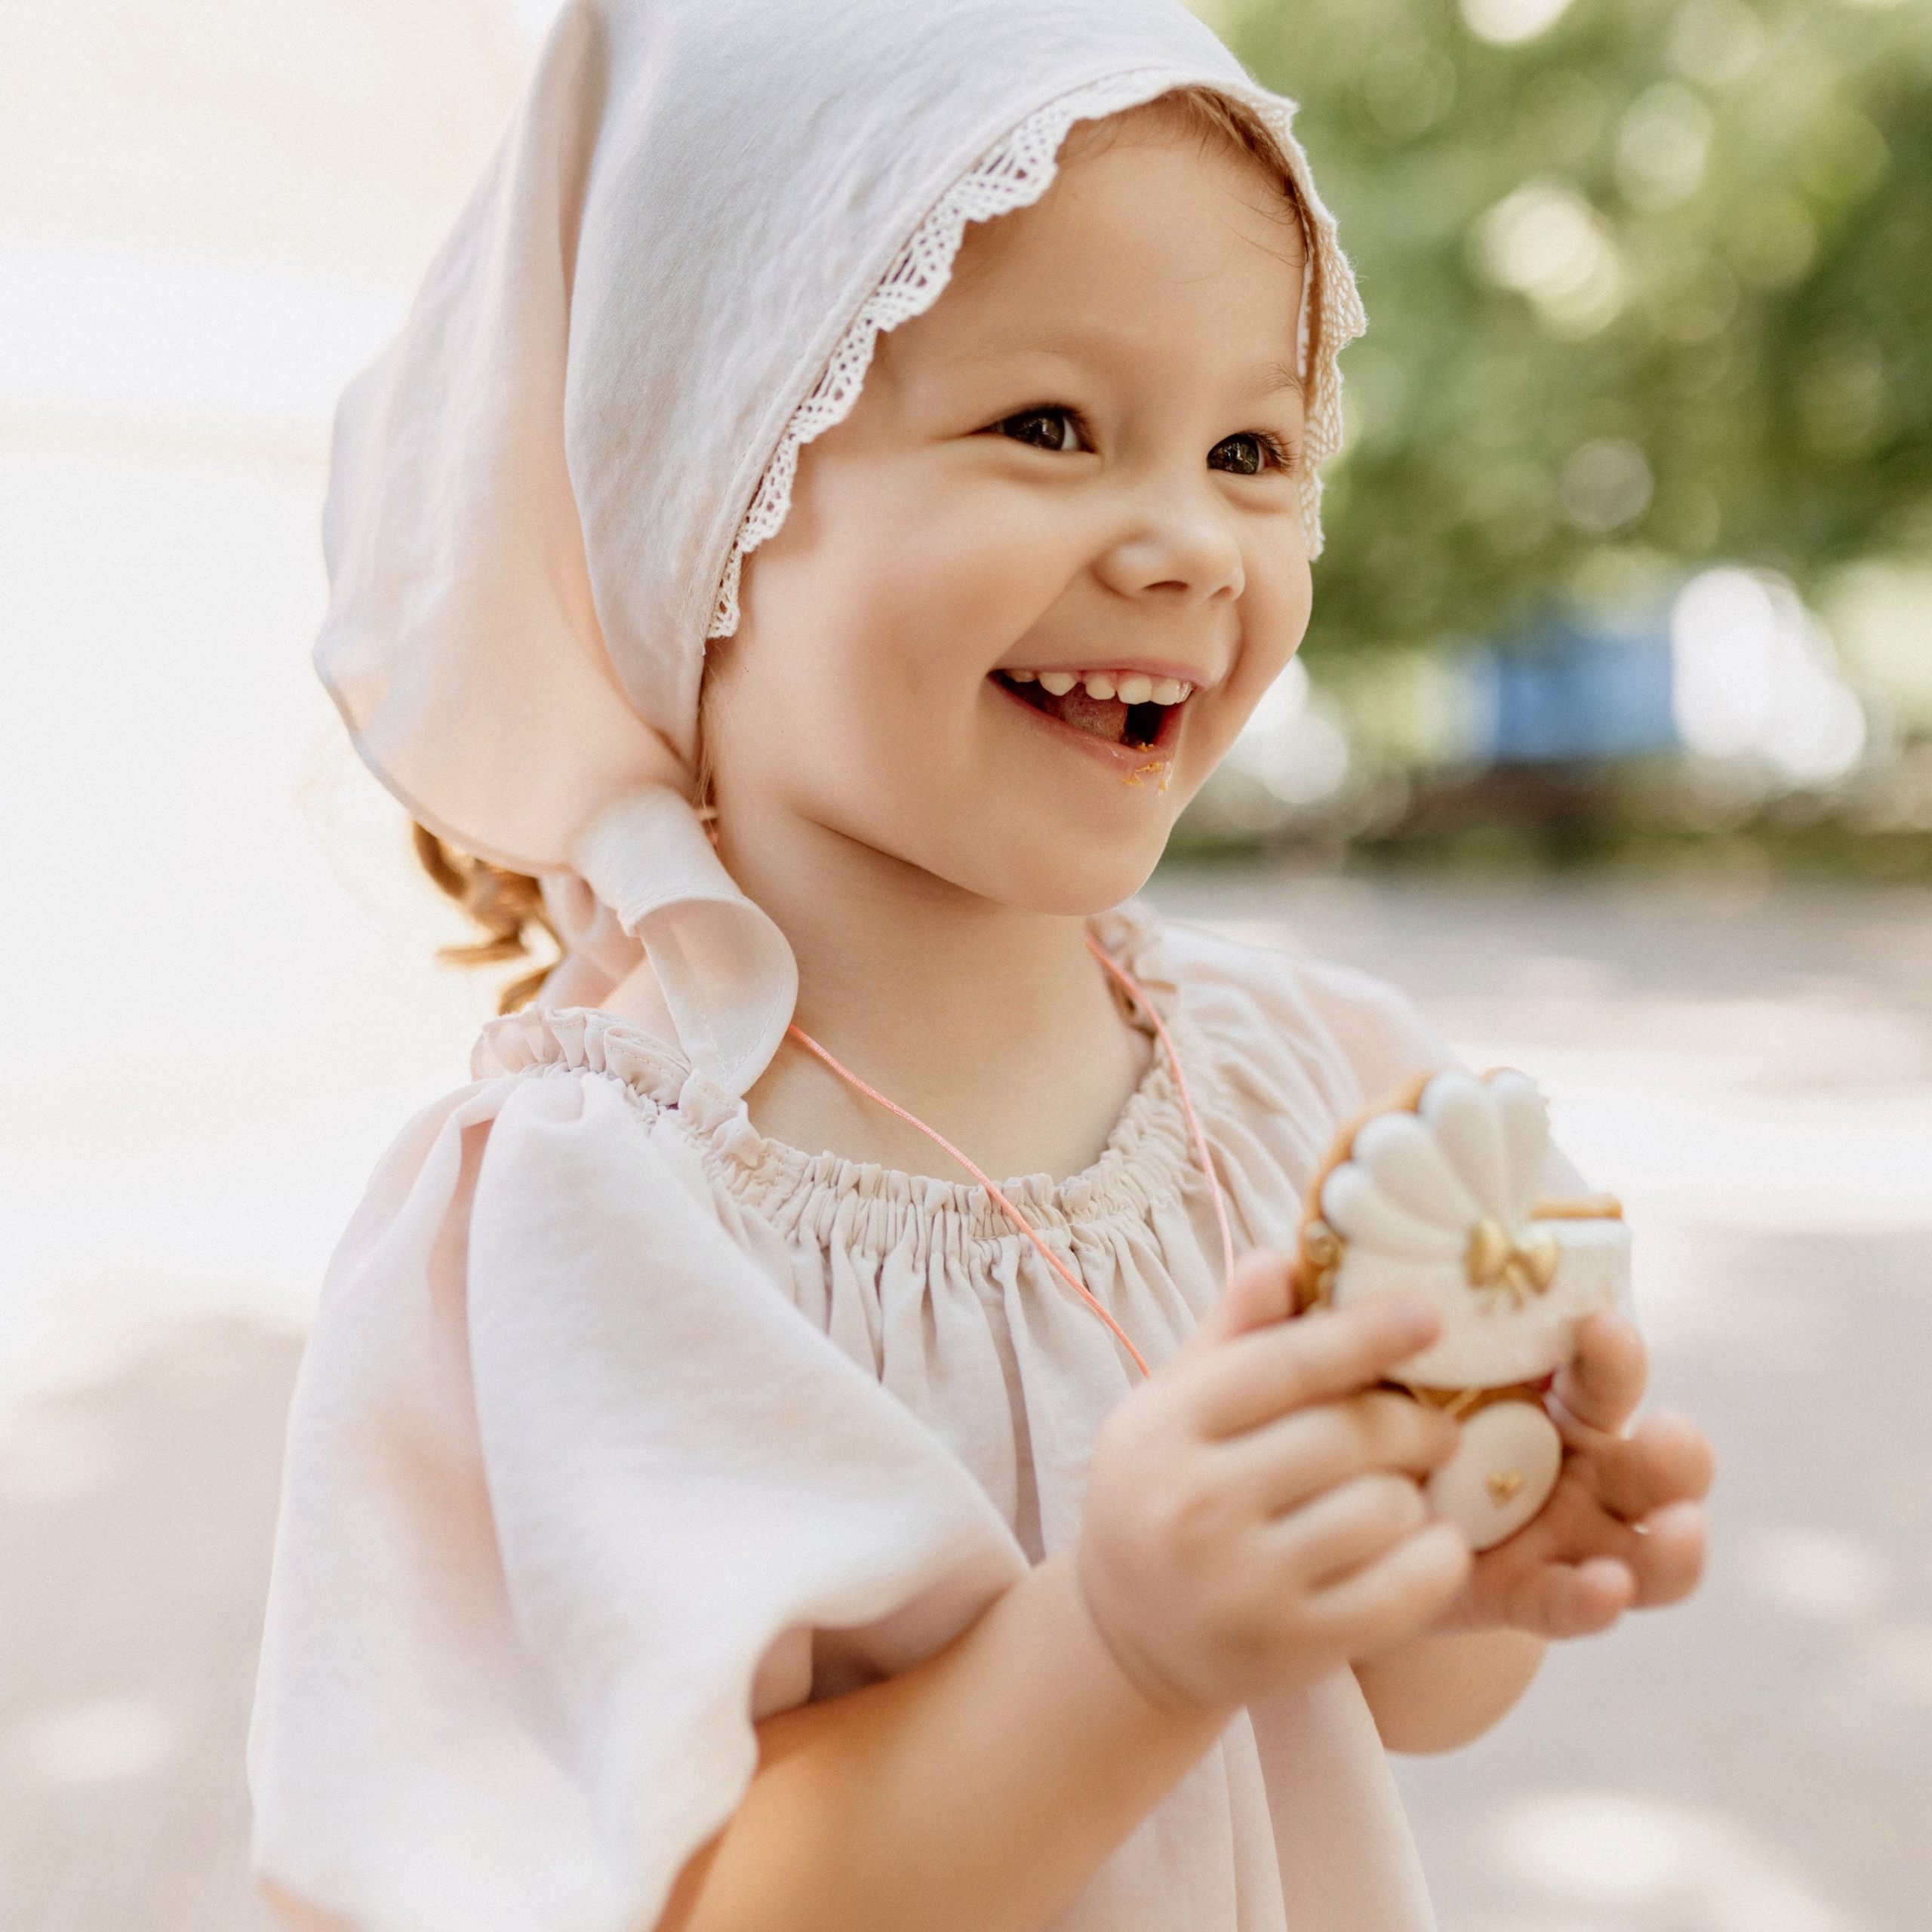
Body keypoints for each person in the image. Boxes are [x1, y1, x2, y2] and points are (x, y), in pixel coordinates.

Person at [248, 2, 1715, 1928]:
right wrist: (1117, 1645)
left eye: (1251, 447)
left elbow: (1397, 1703)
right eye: (1047, 426)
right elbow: (684, 1891)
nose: (1190, 541)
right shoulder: (592, 1220)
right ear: (710, 494)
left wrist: (1463, 1553)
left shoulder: (1311, 1081)